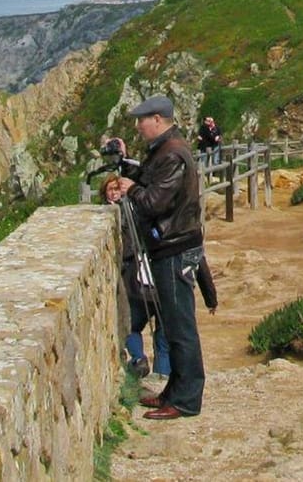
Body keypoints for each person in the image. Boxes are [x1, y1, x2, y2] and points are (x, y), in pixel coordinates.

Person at [115, 95, 206, 420]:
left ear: (157, 119)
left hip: (174, 248)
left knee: (180, 326)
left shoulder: (172, 155)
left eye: (142, 119)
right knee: (171, 321)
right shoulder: (165, 151)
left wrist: (130, 189)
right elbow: (150, 185)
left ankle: (186, 400)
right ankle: (174, 392)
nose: (138, 126)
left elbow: (154, 202)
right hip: (171, 245)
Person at [102, 169, 169, 380]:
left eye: (116, 189)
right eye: (110, 189)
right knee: (160, 325)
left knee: (132, 324)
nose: (114, 193)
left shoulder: (129, 211)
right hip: (150, 274)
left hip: (136, 278)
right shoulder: (141, 208)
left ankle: (142, 361)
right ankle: (162, 372)